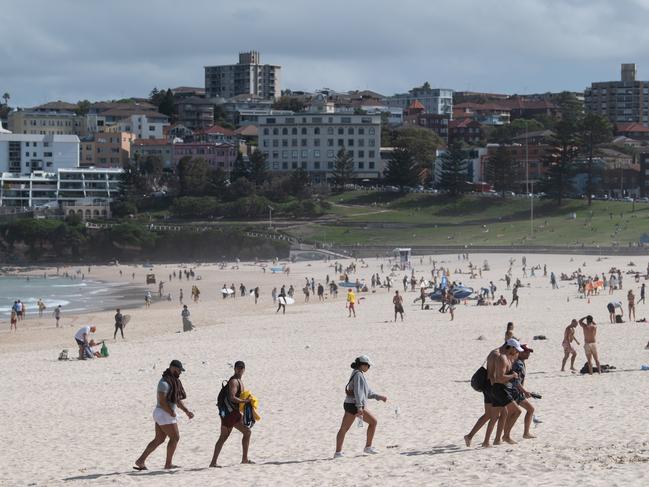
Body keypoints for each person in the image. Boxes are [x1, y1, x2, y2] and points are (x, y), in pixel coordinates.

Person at [134, 360, 194, 470]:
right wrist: (171, 412)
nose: (180, 373)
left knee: (159, 439)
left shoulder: (173, 381)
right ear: (172, 368)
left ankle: (140, 461)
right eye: (179, 370)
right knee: (175, 437)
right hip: (163, 413)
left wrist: (186, 411)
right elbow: (162, 401)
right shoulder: (164, 383)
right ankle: (168, 464)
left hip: (162, 413)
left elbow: (177, 400)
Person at [464, 338, 522, 448]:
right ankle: (492, 440)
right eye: (515, 350)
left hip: (489, 386)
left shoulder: (495, 352)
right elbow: (495, 376)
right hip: (492, 387)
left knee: (490, 415)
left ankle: (472, 436)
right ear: (511, 347)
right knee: (495, 415)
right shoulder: (498, 355)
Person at [334, 355, 387, 458]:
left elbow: (365, 391)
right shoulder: (358, 375)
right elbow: (358, 392)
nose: (369, 368)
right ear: (362, 365)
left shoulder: (356, 373)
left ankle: (338, 453)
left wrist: (377, 396)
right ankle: (368, 447)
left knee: (344, 428)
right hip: (354, 405)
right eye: (368, 365)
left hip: (349, 404)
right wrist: (359, 407)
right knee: (373, 422)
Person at [210, 361, 254, 467]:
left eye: (241, 368)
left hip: (234, 413)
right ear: (234, 369)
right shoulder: (234, 381)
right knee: (224, 436)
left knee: (247, 432)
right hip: (229, 413)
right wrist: (245, 402)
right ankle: (213, 462)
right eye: (238, 368)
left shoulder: (240, 381)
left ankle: (244, 459)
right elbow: (232, 397)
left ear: (244, 370)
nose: (240, 369)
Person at [510, 344, 536, 440]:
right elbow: (516, 381)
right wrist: (524, 391)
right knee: (529, 409)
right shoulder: (518, 364)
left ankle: (525, 433)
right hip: (515, 392)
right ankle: (525, 433)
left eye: (529, 351)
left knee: (508, 414)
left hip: (516, 391)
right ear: (520, 352)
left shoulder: (520, 362)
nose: (528, 353)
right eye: (526, 351)